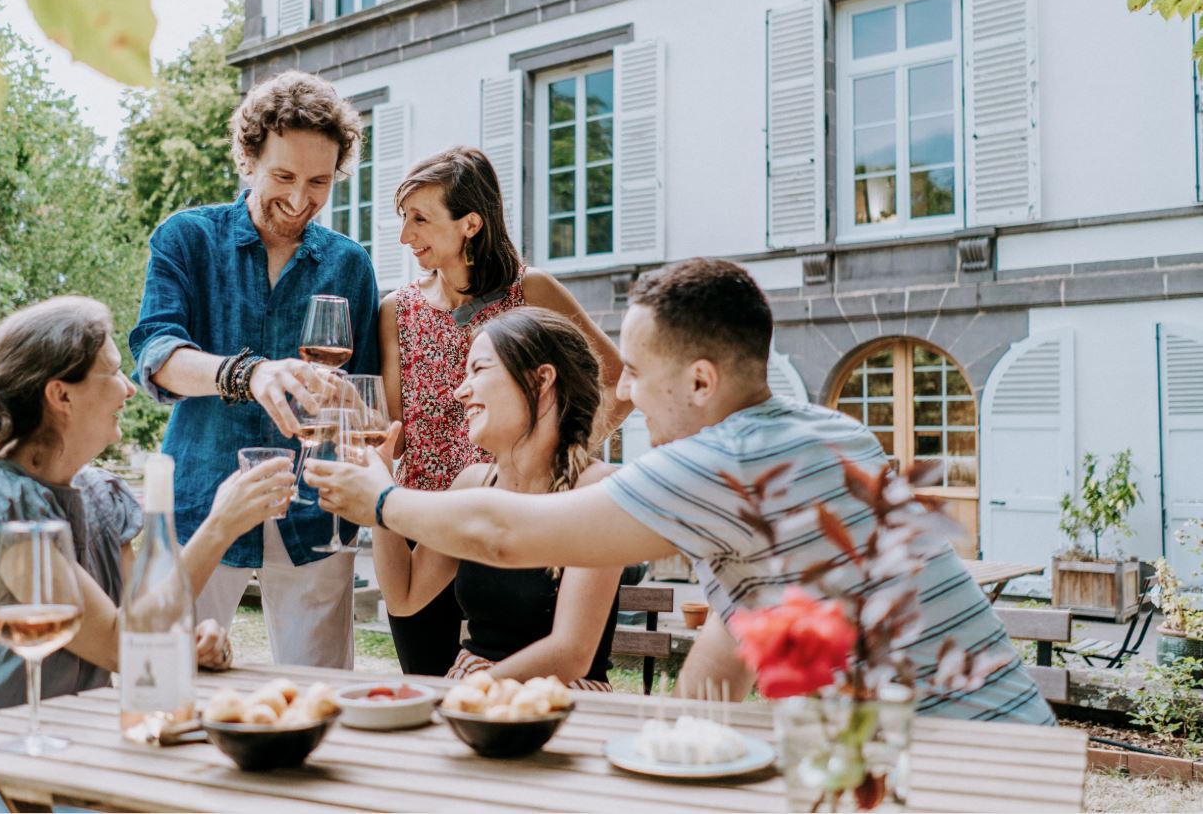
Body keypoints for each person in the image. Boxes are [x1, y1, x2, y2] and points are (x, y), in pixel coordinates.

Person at [309, 259, 1054, 724]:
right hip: (990, 738)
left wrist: (378, 498)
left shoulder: (721, 460)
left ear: (700, 380)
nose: (622, 388)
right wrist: (674, 745)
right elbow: (730, 644)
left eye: (634, 369)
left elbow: (505, 534)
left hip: (954, 759)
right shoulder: (827, 434)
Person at [0, 297, 295, 812]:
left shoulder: (103, 496)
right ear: (61, 394)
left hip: (56, 762)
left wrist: (185, 642)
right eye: (112, 373)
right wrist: (220, 527)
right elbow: (118, 645)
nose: (130, 388)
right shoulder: (0, 500)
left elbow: (144, 624)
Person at [129, 70, 379, 670]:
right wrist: (251, 375)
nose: (299, 200)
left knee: (321, 697)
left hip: (315, 516)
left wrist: (347, 408)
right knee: (166, 672)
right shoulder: (187, 238)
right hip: (202, 501)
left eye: (319, 182)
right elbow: (158, 355)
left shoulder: (351, 264)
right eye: (284, 177)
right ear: (248, 159)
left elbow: (368, 400)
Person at [381, 145, 629, 675]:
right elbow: (393, 431)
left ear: (470, 222)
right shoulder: (396, 309)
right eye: (404, 218)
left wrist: (557, 461)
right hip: (428, 533)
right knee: (432, 692)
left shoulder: (530, 290)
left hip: (521, 519)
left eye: (420, 219)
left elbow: (618, 381)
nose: (406, 236)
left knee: (512, 679)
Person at [376, 307, 622, 688]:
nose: (461, 390)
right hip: (472, 686)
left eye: (480, 370)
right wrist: (381, 489)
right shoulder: (473, 483)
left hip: (564, 697)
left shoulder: (598, 490)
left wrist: (467, 694)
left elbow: (572, 653)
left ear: (541, 380)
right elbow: (404, 597)